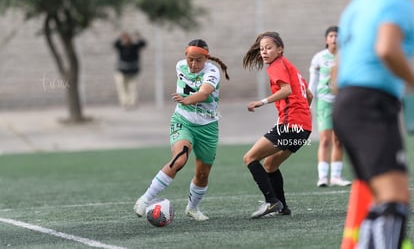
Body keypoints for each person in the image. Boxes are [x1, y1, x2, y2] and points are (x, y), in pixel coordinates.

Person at [333, 0, 414, 247]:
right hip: (371, 104)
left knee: (381, 199)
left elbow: (337, 72)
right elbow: (386, 48)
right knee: (394, 197)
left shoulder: (358, 3)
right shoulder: (397, 1)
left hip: (346, 103)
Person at [133, 39, 230, 221]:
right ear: (185, 56)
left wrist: (187, 99)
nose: (193, 64)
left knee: (202, 174)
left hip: (208, 126)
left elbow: (204, 93)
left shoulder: (212, 72)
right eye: (190, 59)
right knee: (180, 158)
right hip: (183, 120)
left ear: (206, 59)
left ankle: (192, 208)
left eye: (198, 60)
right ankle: (145, 199)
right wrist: (185, 104)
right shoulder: (180, 66)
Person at [242, 32, 313, 218]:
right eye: (262, 49)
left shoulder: (277, 65)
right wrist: (302, 116)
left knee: (250, 158)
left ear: (280, 49)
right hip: (303, 128)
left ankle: (271, 202)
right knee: (270, 164)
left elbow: (286, 90)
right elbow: (309, 95)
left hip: (291, 125)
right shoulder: (292, 68)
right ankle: (283, 208)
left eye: (269, 48)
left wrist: (262, 101)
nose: (264, 52)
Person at [309, 26, 351, 187]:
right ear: (326, 39)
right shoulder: (319, 58)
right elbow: (313, 82)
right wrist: (308, 103)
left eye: (337, 36)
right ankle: (322, 177)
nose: (334, 38)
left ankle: (336, 176)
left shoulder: (346, 57)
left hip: (342, 103)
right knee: (325, 139)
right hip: (324, 102)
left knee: (339, 139)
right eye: (331, 36)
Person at [113, 31, 146, 109]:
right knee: (122, 88)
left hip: (132, 72)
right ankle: (125, 102)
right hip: (121, 71)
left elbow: (143, 44)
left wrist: (138, 36)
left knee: (133, 87)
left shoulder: (135, 46)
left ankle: (132, 102)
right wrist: (120, 37)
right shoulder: (121, 47)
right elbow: (115, 44)